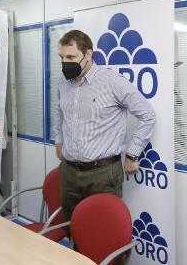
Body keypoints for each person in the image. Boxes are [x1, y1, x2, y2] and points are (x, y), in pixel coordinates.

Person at [52, 29, 156, 221]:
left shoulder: (112, 82)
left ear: (89, 54)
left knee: (100, 230)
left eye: (71, 56)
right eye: (62, 57)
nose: (65, 63)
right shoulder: (63, 83)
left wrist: (132, 154)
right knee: (71, 226)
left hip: (103, 174)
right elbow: (60, 113)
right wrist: (59, 140)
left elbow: (148, 114)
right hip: (69, 172)